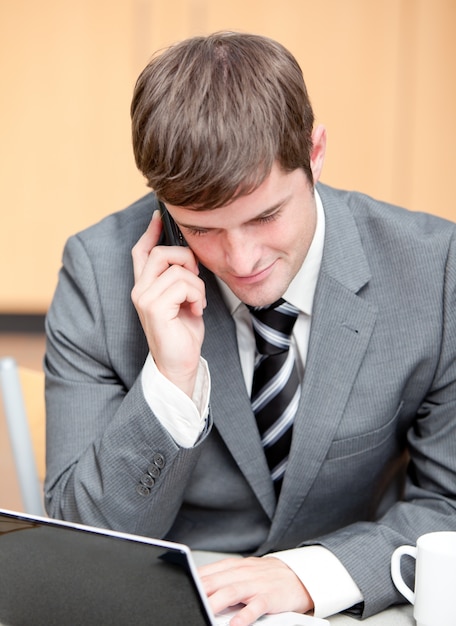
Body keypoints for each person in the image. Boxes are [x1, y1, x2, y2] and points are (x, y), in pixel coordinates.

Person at [44, 31, 456, 624]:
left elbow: (446, 505)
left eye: (266, 215)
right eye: (202, 228)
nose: (240, 260)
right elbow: (79, 546)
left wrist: (308, 574)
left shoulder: (433, 269)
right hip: (178, 602)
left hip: (358, 600)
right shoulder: (98, 273)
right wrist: (170, 381)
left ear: (314, 154)